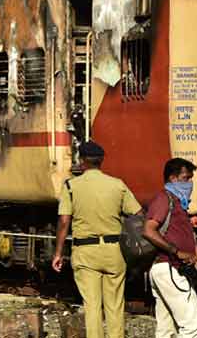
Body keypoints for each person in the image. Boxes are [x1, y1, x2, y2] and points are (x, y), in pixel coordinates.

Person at [52, 141, 142, 338]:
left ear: (82, 161)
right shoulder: (117, 185)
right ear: (101, 161)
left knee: (92, 306)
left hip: (86, 253)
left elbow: (64, 221)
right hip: (114, 252)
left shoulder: (71, 187)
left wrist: (58, 253)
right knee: (115, 306)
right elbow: (137, 213)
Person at [143, 158, 197, 338]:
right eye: (186, 178)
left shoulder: (179, 204)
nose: (190, 184)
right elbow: (149, 230)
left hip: (166, 270)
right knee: (193, 325)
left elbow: (192, 246)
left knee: (166, 329)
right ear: (173, 178)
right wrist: (176, 252)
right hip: (168, 268)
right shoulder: (164, 199)